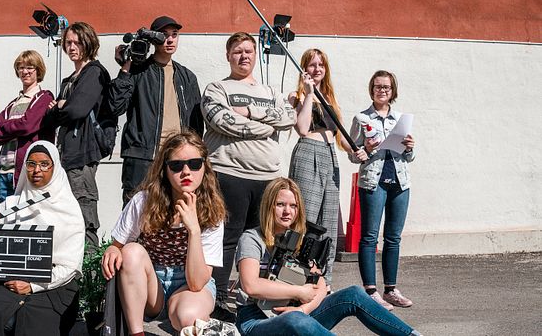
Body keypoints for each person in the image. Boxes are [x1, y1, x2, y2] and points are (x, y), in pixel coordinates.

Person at [235, 177, 421, 336]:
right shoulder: (252, 238)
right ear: (269, 206)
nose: (287, 211)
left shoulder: (298, 239)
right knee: (296, 320)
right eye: (280, 204)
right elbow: (251, 285)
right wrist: (299, 293)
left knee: (354, 294)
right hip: (256, 320)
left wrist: (303, 309)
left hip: (294, 312)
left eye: (293, 206)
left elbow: (321, 284)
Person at [201, 32, 297, 321]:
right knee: (226, 237)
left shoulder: (270, 92)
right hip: (229, 174)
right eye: (238, 51)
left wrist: (249, 112)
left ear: (256, 55)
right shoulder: (217, 88)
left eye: (249, 51)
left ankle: (256, 296)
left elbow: (288, 117)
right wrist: (266, 124)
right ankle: (217, 297)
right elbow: (220, 120)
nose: (244, 56)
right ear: (228, 55)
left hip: (266, 177)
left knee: (262, 238)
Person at [100, 131, 226, 333]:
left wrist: (193, 229)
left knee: (188, 316)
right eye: (176, 166)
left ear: (204, 167)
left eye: (194, 164)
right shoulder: (144, 201)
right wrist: (114, 250)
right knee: (131, 251)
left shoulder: (212, 210)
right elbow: (119, 244)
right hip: (153, 284)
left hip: (190, 286)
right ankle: (136, 332)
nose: (186, 172)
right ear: (165, 170)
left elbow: (196, 283)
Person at [0, 140, 85, 336]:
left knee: (34, 322)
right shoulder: (11, 206)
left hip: (53, 286)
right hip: (10, 281)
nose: (36, 170)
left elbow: (70, 267)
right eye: (31, 164)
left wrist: (33, 286)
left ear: (55, 168)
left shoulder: (69, 210)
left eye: (44, 164)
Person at [287, 49, 367, 287]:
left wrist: (357, 150)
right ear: (303, 69)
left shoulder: (330, 98)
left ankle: (324, 279)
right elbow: (301, 128)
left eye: (321, 65)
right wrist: (309, 93)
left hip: (330, 156)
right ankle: (295, 277)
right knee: (305, 219)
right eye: (311, 65)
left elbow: (339, 138)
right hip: (308, 153)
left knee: (329, 221)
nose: (317, 69)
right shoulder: (298, 96)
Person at [109, 15, 204, 206]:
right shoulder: (138, 71)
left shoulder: (187, 77)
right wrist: (126, 68)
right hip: (142, 158)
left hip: (177, 160)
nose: (169, 39)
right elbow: (115, 106)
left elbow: (196, 124)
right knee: (136, 216)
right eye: (163, 35)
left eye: (174, 35)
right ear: (153, 38)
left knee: (175, 213)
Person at [348, 70, 416, 310]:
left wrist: (409, 147)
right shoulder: (361, 118)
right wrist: (365, 148)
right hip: (373, 182)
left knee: (393, 238)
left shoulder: (400, 118)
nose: (382, 91)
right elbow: (353, 155)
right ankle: (371, 290)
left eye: (386, 87)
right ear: (371, 89)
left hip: (400, 182)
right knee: (369, 237)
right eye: (378, 87)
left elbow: (410, 156)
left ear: (392, 91)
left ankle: (390, 289)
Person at [47, 22, 111, 248]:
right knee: (66, 219)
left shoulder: (94, 72)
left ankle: (90, 278)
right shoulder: (69, 80)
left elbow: (77, 110)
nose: (72, 47)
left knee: (84, 219)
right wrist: (60, 107)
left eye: (77, 42)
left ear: (88, 42)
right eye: (68, 42)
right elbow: (52, 117)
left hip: (82, 155)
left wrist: (62, 107)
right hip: (65, 156)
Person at [0, 50, 56, 203]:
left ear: (38, 70)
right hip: (3, 173)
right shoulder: (13, 104)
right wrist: (16, 126)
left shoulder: (44, 97)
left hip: (25, 172)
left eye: (30, 67)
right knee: (5, 224)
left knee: (25, 222)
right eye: (21, 67)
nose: (25, 71)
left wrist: (5, 126)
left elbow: (27, 125)